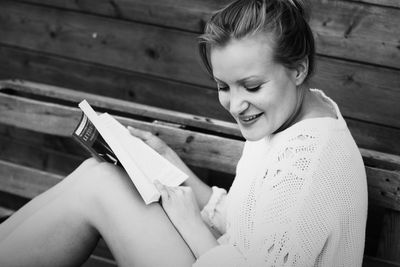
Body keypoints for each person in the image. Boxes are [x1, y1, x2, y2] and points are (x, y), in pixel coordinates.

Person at [0, 0, 368, 266]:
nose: (236, 104)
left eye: (252, 86)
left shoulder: (310, 166)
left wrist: (189, 222)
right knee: (100, 173)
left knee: (102, 189)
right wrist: (170, 164)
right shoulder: (291, 119)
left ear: (299, 69)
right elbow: (248, 222)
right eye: (224, 86)